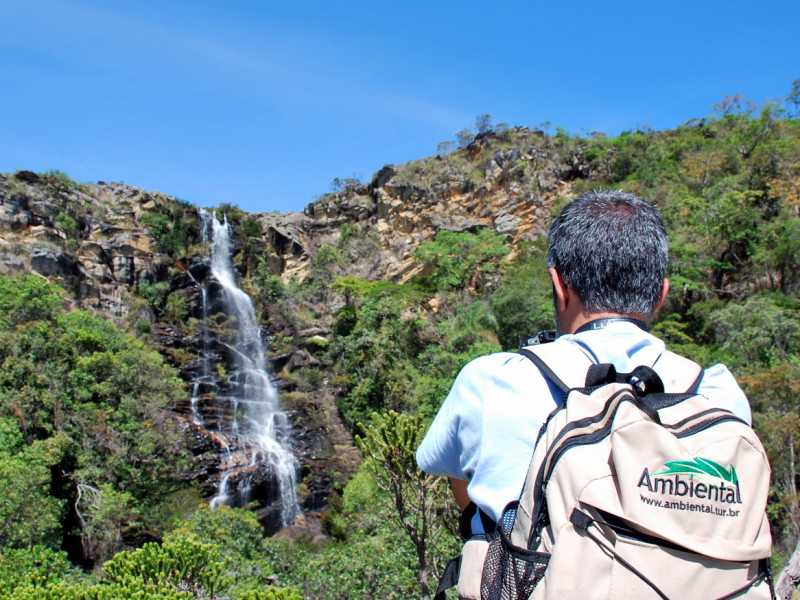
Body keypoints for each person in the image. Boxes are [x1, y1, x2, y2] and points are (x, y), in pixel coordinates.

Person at [415, 189, 752, 535]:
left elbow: (458, 479)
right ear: (661, 295)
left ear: (559, 285)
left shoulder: (489, 380)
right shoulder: (718, 392)